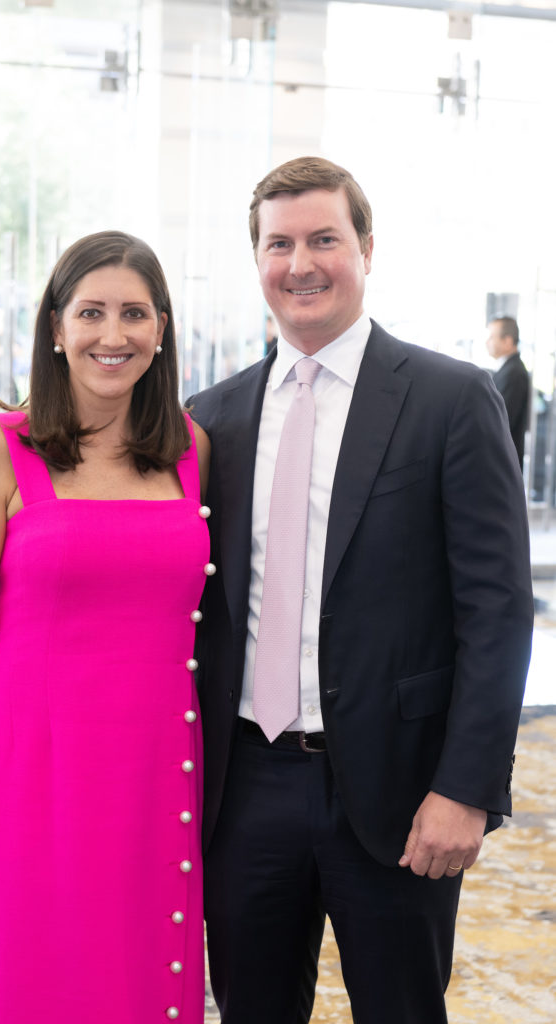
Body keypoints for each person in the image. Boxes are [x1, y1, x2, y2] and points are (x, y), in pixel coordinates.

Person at [188, 157, 533, 1024]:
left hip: (400, 790)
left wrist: (466, 788)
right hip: (244, 787)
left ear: (366, 249)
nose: (299, 263)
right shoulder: (210, 420)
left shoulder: (450, 400)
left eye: (322, 239)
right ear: (257, 259)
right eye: (278, 244)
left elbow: (494, 613)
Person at [0, 231, 211, 1024]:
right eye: (90, 312)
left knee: (140, 988)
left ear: (161, 331)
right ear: (55, 328)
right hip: (31, 780)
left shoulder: (190, 451)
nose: (112, 335)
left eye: (134, 313)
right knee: (36, 989)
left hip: (157, 772)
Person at [486, 314, 530, 468]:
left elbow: (502, 419)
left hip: (503, 463)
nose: (487, 342)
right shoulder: (507, 369)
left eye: (492, 337)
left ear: (507, 341)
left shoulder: (514, 373)